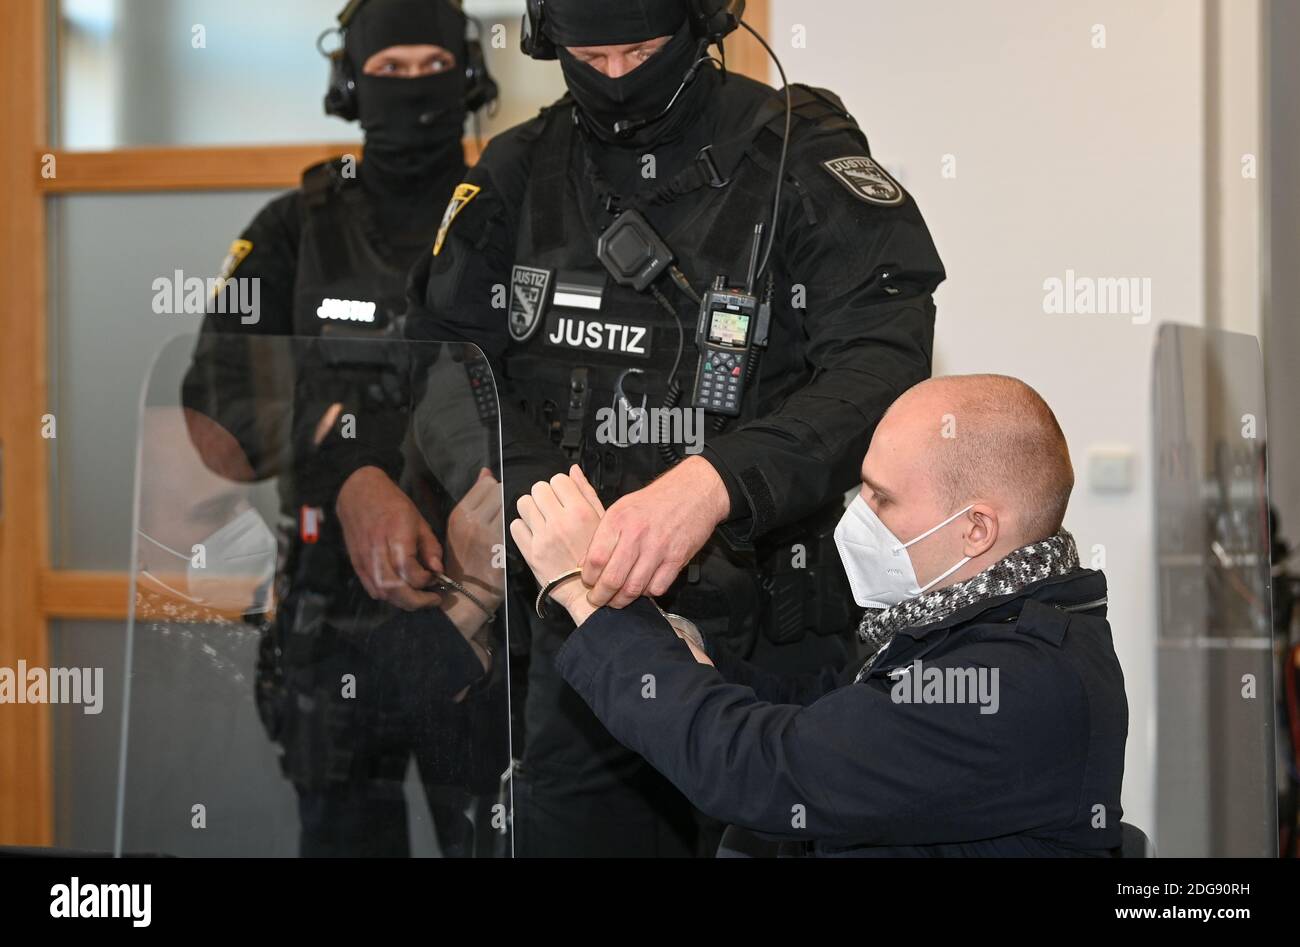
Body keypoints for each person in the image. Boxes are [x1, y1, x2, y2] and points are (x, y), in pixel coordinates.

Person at [336, 0, 946, 856]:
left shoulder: (794, 156)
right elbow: (445, 363)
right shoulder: (518, 171)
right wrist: (551, 504)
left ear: (702, 25)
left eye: (643, 50)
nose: (618, 78)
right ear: (551, 41)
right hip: (585, 638)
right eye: (594, 56)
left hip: (773, 647)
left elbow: (881, 358)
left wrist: (718, 483)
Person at [511, 375, 1130, 857]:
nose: (859, 515)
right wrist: (681, 646)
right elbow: (824, 710)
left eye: (882, 498)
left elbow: (769, 772)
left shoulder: (1013, 682)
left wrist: (584, 596)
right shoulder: (980, 621)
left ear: (975, 529)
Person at [181, 0, 509, 857]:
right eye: (388, 69)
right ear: (349, 83)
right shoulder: (296, 228)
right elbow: (212, 417)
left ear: (468, 76)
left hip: (477, 611)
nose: (410, 89)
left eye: (429, 68)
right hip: (329, 620)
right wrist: (346, 458)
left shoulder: (509, 216)